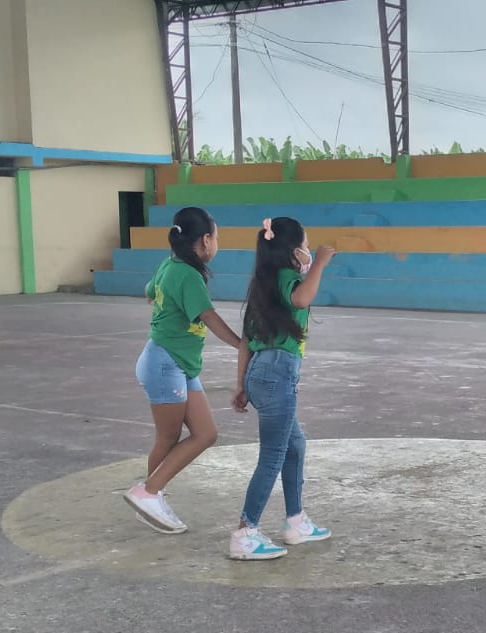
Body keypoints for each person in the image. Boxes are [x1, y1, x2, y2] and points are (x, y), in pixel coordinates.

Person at [124, 206, 245, 534]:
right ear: (205, 240)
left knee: (206, 434)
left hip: (178, 363)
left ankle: (150, 494)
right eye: (216, 238)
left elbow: (149, 292)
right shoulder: (187, 274)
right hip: (165, 363)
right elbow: (208, 316)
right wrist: (241, 345)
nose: (216, 244)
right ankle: (149, 493)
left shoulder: (170, 265)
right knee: (168, 437)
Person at [227, 216, 336, 561]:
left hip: (260, 372)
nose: (308, 250)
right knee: (273, 455)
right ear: (293, 251)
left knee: (294, 445)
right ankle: (245, 533)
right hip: (277, 372)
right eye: (305, 245)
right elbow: (302, 299)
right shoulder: (288, 278)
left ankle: (296, 521)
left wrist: (241, 384)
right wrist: (319, 263)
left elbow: (246, 340)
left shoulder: (262, 284)